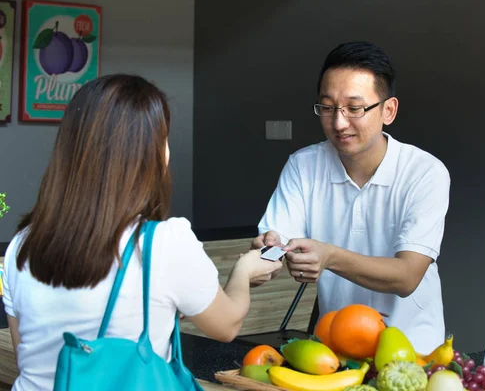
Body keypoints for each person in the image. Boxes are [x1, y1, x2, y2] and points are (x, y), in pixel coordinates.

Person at [2, 74, 282, 391]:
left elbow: (30, 348)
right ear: (151, 154)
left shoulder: (22, 244)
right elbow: (227, 325)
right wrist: (243, 271)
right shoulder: (164, 242)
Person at [252, 41, 450, 355]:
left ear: (388, 110)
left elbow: (407, 276)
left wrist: (329, 256)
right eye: (327, 107)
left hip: (414, 351)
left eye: (354, 109)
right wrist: (268, 249)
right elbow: (276, 238)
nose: (339, 122)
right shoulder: (304, 166)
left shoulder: (425, 173)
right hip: (333, 349)